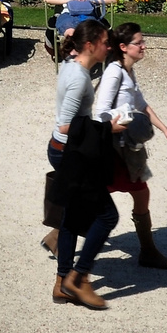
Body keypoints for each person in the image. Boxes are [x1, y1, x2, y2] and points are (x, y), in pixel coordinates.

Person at [48, 19, 124, 310]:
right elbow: (65, 124)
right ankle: (77, 279)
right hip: (71, 152)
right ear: (90, 45)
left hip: (64, 150)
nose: (109, 46)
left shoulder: (71, 64)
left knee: (71, 216)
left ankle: (62, 281)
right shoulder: (79, 77)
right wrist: (107, 129)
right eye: (106, 42)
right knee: (106, 217)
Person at [92, 23, 167, 268]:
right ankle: (148, 252)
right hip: (114, 148)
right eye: (138, 43)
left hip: (127, 148)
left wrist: (165, 130)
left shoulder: (128, 72)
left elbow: (142, 105)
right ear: (123, 47)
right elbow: (100, 113)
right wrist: (121, 123)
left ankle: (148, 251)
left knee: (139, 193)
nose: (144, 46)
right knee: (101, 194)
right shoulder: (114, 72)